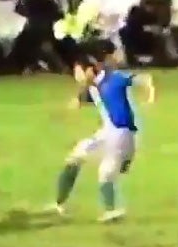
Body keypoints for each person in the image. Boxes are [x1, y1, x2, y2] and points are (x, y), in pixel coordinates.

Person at [49, 43, 155, 222]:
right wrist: (76, 102)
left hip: (121, 134)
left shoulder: (113, 80)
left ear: (90, 70)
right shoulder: (94, 86)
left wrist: (151, 94)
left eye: (79, 71)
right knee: (75, 157)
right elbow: (86, 96)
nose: (77, 76)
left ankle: (111, 211)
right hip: (109, 133)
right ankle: (60, 204)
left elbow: (144, 78)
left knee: (105, 172)